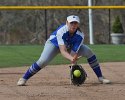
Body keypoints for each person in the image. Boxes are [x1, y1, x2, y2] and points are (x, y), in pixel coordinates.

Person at [17, 15, 111, 86]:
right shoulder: (61, 31)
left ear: (78, 24)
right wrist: (72, 58)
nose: (73, 25)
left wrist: (73, 62)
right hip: (54, 44)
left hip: (69, 46)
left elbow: (73, 53)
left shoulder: (80, 35)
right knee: (43, 61)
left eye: (75, 23)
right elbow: (63, 51)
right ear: (67, 23)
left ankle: (101, 78)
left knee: (89, 52)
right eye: (71, 23)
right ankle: (24, 78)